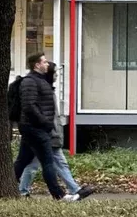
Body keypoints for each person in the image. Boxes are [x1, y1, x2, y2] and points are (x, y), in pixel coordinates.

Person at [18, 61, 94, 202]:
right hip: (46, 135)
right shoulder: (43, 91)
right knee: (56, 163)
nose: (57, 76)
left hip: (43, 134)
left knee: (32, 164)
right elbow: (47, 115)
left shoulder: (45, 89)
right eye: (55, 73)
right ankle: (71, 190)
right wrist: (52, 132)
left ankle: (22, 191)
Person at [13, 52, 69, 200]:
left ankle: (10, 187)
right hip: (35, 128)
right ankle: (59, 195)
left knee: (23, 160)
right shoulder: (30, 82)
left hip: (35, 128)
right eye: (44, 62)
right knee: (48, 162)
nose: (47, 64)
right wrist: (45, 122)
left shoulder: (40, 80)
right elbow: (29, 106)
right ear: (37, 65)